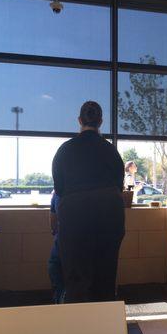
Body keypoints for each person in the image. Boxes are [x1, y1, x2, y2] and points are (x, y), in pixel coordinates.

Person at [52, 101, 125, 303]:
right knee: (105, 274)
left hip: (74, 215)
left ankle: (80, 328)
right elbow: (119, 187)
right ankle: (106, 327)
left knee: (76, 277)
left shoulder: (64, 150)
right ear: (100, 122)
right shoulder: (111, 151)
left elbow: (59, 189)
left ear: (79, 121)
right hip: (110, 213)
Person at [48, 192, 64, 304]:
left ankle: (60, 299)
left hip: (63, 242)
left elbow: (53, 224)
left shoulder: (59, 193)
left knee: (55, 267)